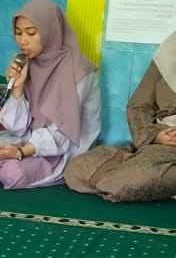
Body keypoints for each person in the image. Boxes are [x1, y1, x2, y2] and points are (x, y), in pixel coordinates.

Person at [0, 0, 101, 189]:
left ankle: (9, 166)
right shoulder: (28, 63)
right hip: (28, 138)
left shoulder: (79, 72)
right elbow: (16, 128)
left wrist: (20, 152)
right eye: (18, 33)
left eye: (31, 33)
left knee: (13, 174)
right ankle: (6, 164)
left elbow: (63, 135)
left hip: (64, 148)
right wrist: (18, 88)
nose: (22, 41)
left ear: (51, 32)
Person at [65, 32, 176, 201]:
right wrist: (155, 135)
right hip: (158, 141)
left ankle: (130, 178)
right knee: (77, 168)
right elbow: (139, 105)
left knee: (125, 182)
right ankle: (134, 174)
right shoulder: (170, 51)